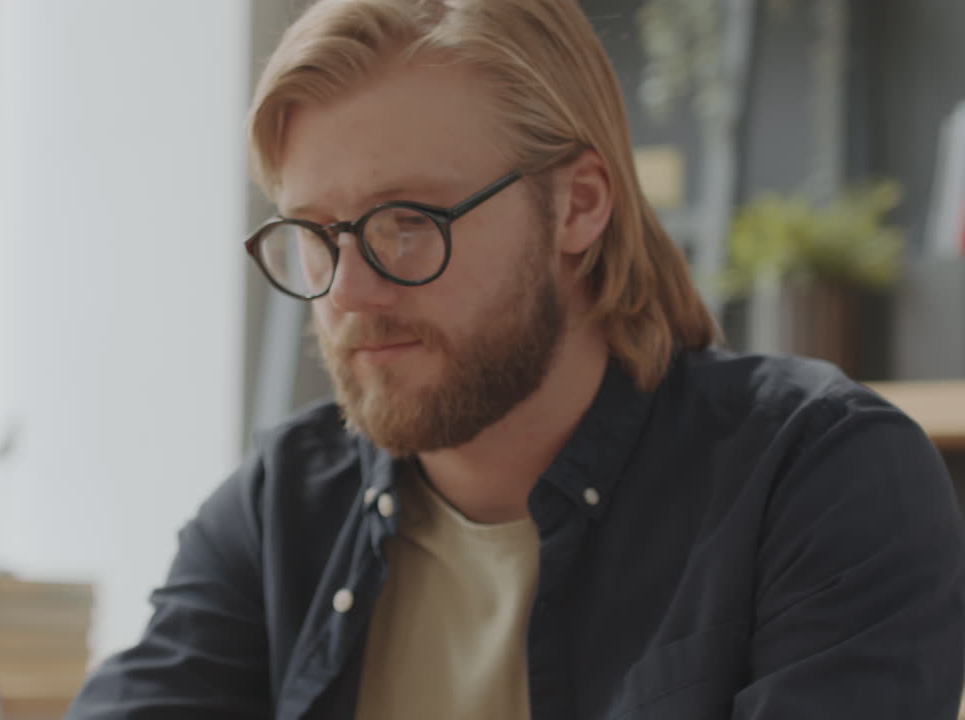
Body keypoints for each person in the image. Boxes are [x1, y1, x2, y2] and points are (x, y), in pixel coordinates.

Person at [66, 0, 965, 717]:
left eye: (408, 222)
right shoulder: (282, 509)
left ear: (578, 206)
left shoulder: (820, 478)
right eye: (314, 235)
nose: (347, 293)